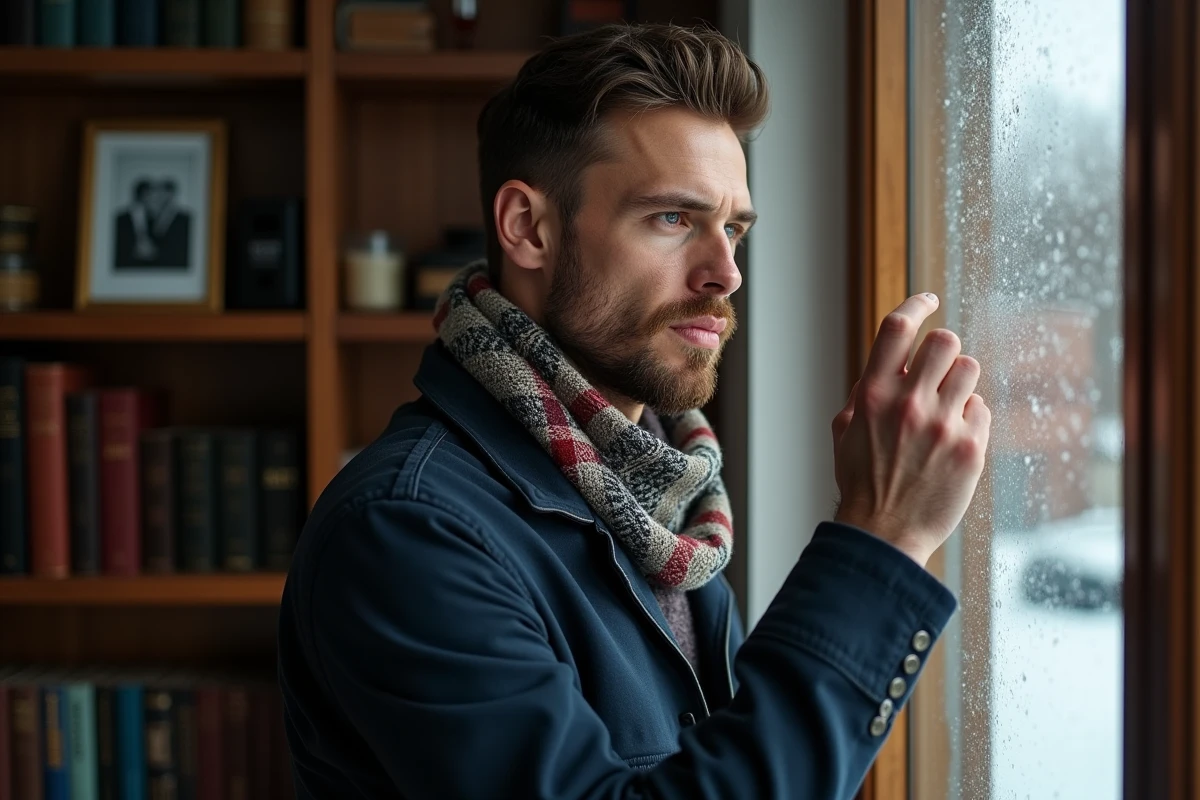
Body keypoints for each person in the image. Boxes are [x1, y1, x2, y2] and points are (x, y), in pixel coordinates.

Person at [277, 22, 990, 800]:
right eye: (672, 219)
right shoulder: (407, 531)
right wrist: (881, 537)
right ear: (529, 229)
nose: (725, 273)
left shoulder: (661, 492)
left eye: (735, 228)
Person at [114, 177, 191, 269]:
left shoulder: (157, 218)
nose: (154, 199)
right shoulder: (122, 218)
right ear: (141, 195)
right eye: (150, 195)